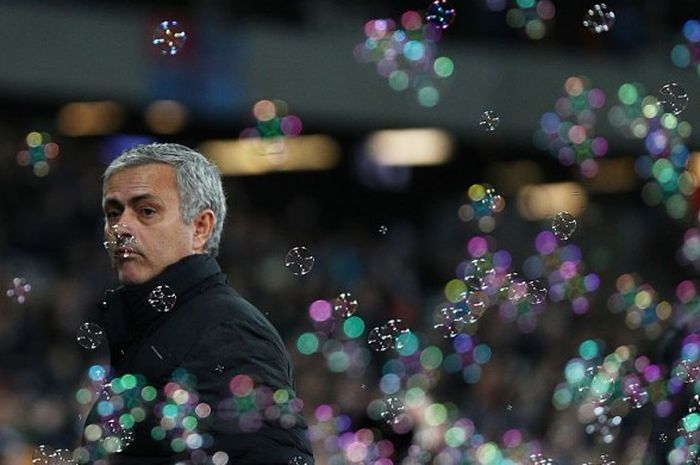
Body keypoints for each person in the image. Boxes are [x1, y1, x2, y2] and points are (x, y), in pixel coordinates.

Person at [82, 143, 314, 465]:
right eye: (113, 212)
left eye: (146, 211)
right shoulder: (149, 327)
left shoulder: (229, 333)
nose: (121, 227)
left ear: (200, 227)